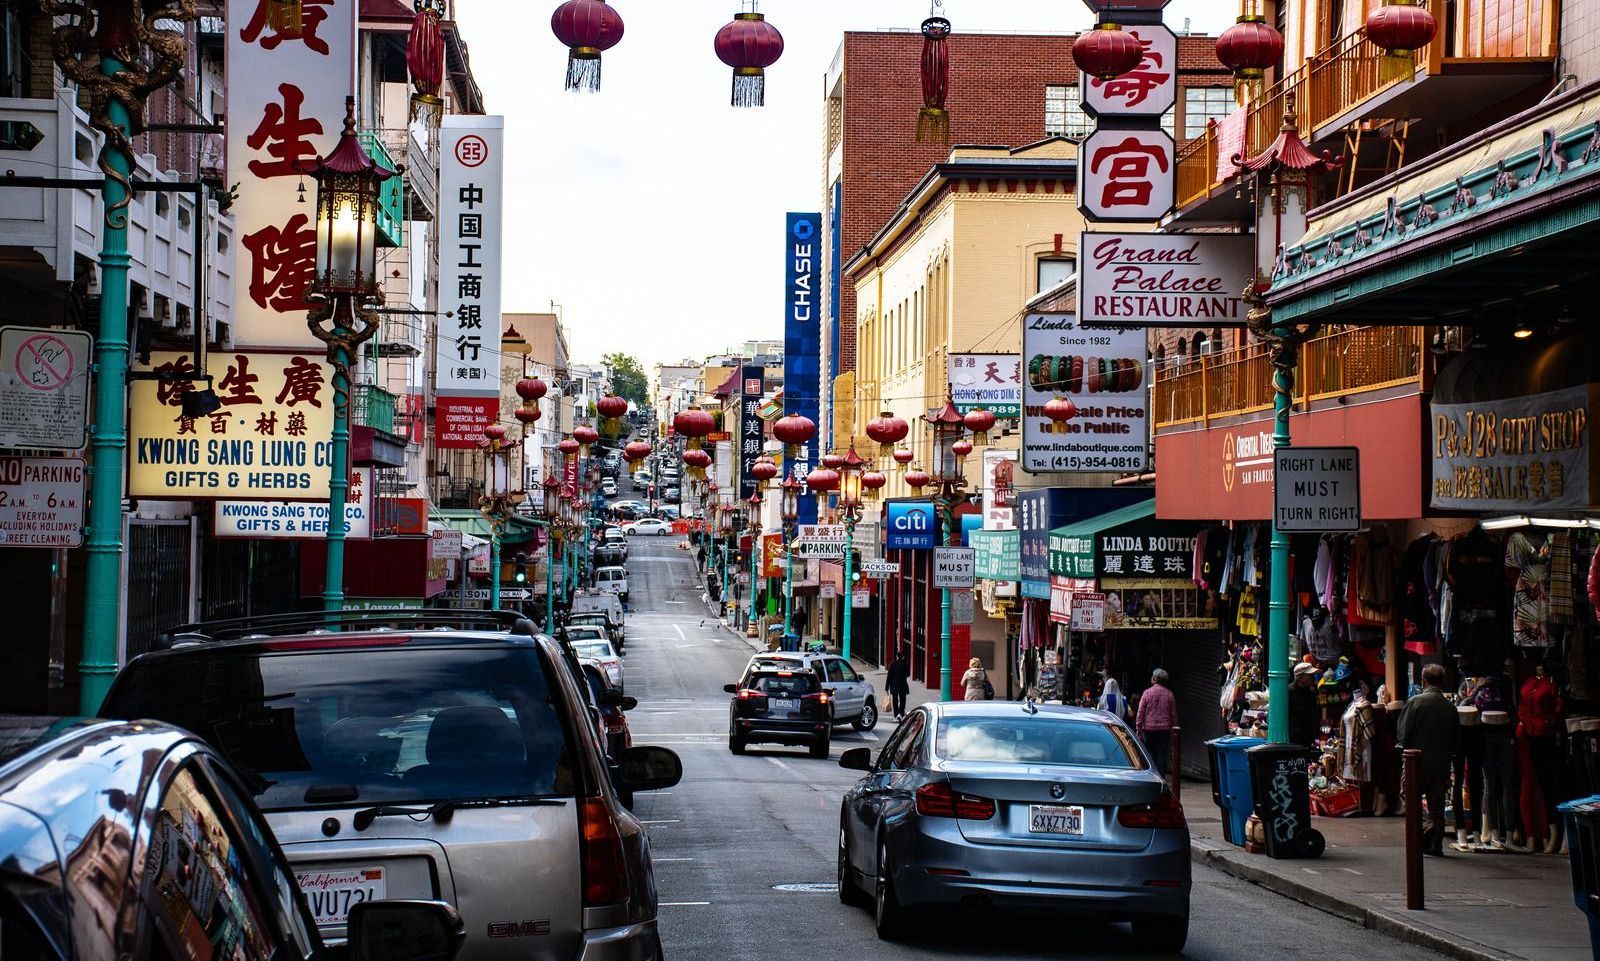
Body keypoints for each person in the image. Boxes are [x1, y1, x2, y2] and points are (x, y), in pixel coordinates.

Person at [1397, 663, 1461, 856]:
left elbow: (1403, 733)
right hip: (1441, 762)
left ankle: (1425, 828)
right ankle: (1436, 843)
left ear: (1423, 681)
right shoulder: (1450, 707)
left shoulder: (1416, 702)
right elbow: (1456, 739)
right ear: (1442, 682)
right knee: (1437, 802)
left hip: (1416, 760)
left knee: (1409, 795)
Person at [1135, 669, 1177, 776]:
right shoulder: (1169, 694)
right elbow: (1173, 714)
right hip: (1164, 729)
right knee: (1161, 754)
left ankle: (1150, 776)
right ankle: (1160, 778)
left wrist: (1138, 728)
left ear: (1155, 679)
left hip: (1149, 729)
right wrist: (1174, 730)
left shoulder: (1147, 693)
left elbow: (1141, 712)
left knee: (1149, 753)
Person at [1288, 661, 1322, 747]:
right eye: (1309, 675)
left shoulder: (1312, 692)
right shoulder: (1289, 692)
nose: (1313, 677)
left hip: (1308, 739)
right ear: (1300, 676)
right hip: (1293, 740)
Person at [886, 651, 911, 719]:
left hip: (894, 685)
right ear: (903, 656)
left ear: (897, 656)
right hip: (903, 684)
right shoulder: (906, 664)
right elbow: (908, 674)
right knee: (903, 699)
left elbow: (889, 676)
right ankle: (901, 713)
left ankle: (896, 714)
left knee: (895, 700)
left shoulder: (892, 664)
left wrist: (886, 687)